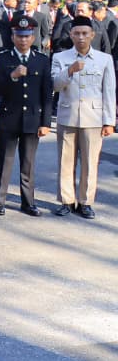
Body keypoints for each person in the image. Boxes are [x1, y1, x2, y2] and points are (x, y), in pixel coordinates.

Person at [51, 17, 115, 219]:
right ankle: (67, 201)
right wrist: (69, 70)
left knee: (90, 162)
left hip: (93, 118)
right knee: (65, 161)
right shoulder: (60, 57)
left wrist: (109, 121)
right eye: (77, 33)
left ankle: (86, 202)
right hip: (67, 116)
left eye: (85, 33)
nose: (81, 37)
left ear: (92, 35)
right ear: (70, 35)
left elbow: (109, 91)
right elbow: (55, 85)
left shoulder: (104, 59)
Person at [0, 14, 52, 217]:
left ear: (33, 37)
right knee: (4, 162)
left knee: (28, 164)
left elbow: (46, 94)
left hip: (32, 119)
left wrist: (45, 122)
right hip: (9, 117)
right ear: (12, 36)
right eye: (19, 35)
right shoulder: (2, 58)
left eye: (27, 36)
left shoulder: (42, 60)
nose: (23, 39)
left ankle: (28, 202)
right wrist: (12, 76)